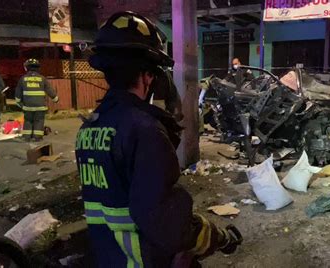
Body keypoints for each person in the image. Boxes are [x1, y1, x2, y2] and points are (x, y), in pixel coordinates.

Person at [76, 12, 240, 267]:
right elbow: (167, 224)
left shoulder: (89, 129)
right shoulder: (144, 131)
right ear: (147, 75)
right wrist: (218, 237)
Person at [15, 59, 59, 141]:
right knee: (39, 121)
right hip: (40, 107)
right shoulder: (42, 79)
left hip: (27, 107)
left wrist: (19, 103)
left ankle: (27, 137)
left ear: (26, 68)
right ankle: (37, 137)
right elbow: (50, 91)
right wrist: (56, 99)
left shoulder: (23, 79)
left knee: (28, 121)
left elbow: (18, 93)